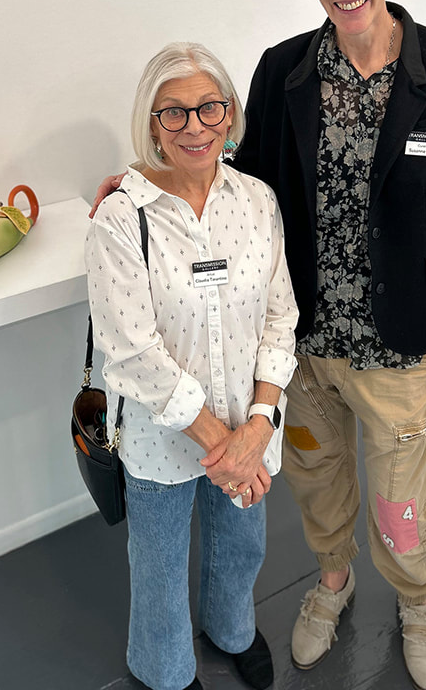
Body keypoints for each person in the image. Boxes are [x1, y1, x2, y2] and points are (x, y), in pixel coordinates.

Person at [92, 0, 426, 690]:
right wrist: (141, 177)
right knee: (317, 483)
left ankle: (417, 604)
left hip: (400, 341)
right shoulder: (283, 71)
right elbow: (244, 176)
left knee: (401, 504)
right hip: (304, 348)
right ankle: (333, 583)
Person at [85, 42, 297, 690]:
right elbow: (132, 351)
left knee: (243, 546)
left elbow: (279, 317)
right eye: (173, 113)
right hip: (163, 438)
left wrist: (256, 426)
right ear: (152, 124)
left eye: (209, 108)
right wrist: (224, 446)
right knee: (157, 562)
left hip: (249, 427)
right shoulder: (122, 218)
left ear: (229, 114)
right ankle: (165, 670)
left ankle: (233, 631)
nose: (194, 126)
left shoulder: (258, 201)